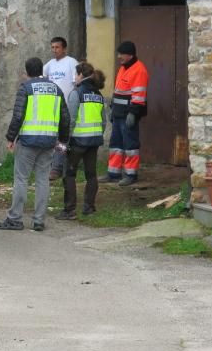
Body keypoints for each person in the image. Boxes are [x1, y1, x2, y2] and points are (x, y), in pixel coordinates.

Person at [0, 57, 69, 232]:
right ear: (41, 71)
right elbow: (65, 117)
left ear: (27, 72)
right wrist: (63, 140)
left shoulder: (26, 88)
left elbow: (18, 115)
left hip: (28, 141)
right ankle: (39, 220)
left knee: (21, 178)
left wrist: (10, 137)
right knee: (43, 179)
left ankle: (15, 219)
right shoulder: (56, 89)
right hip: (49, 141)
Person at [56, 62, 107, 220]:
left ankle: (69, 210)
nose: (74, 78)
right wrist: (97, 135)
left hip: (77, 141)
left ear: (80, 75)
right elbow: (103, 121)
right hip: (94, 141)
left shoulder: (76, 93)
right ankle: (89, 207)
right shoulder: (98, 95)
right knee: (91, 175)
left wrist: (63, 142)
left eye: (76, 74)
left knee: (69, 174)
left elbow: (70, 120)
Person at [104, 41, 149, 186]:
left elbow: (139, 96)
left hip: (128, 115)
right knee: (115, 144)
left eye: (121, 54)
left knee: (130, 145)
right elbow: (118, 91)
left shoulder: (139, 70)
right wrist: (113, 109)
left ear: (130, 55)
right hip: (118, 113)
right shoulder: (124, 68)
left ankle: (131, 174)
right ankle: (113, 173)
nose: (118, 57)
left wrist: (133, 113)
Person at [44, 36, 79, 181]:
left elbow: (76, 83)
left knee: (63, 138)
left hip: (66, 106)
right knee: (56, 138)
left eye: (57, 47)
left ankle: (57, 168)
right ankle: (58, 165)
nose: (54, 50)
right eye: (52, 47)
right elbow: (43, 79)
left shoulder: (71, 62)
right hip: (52, 107)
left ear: (64, 48)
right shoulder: (49, 64)